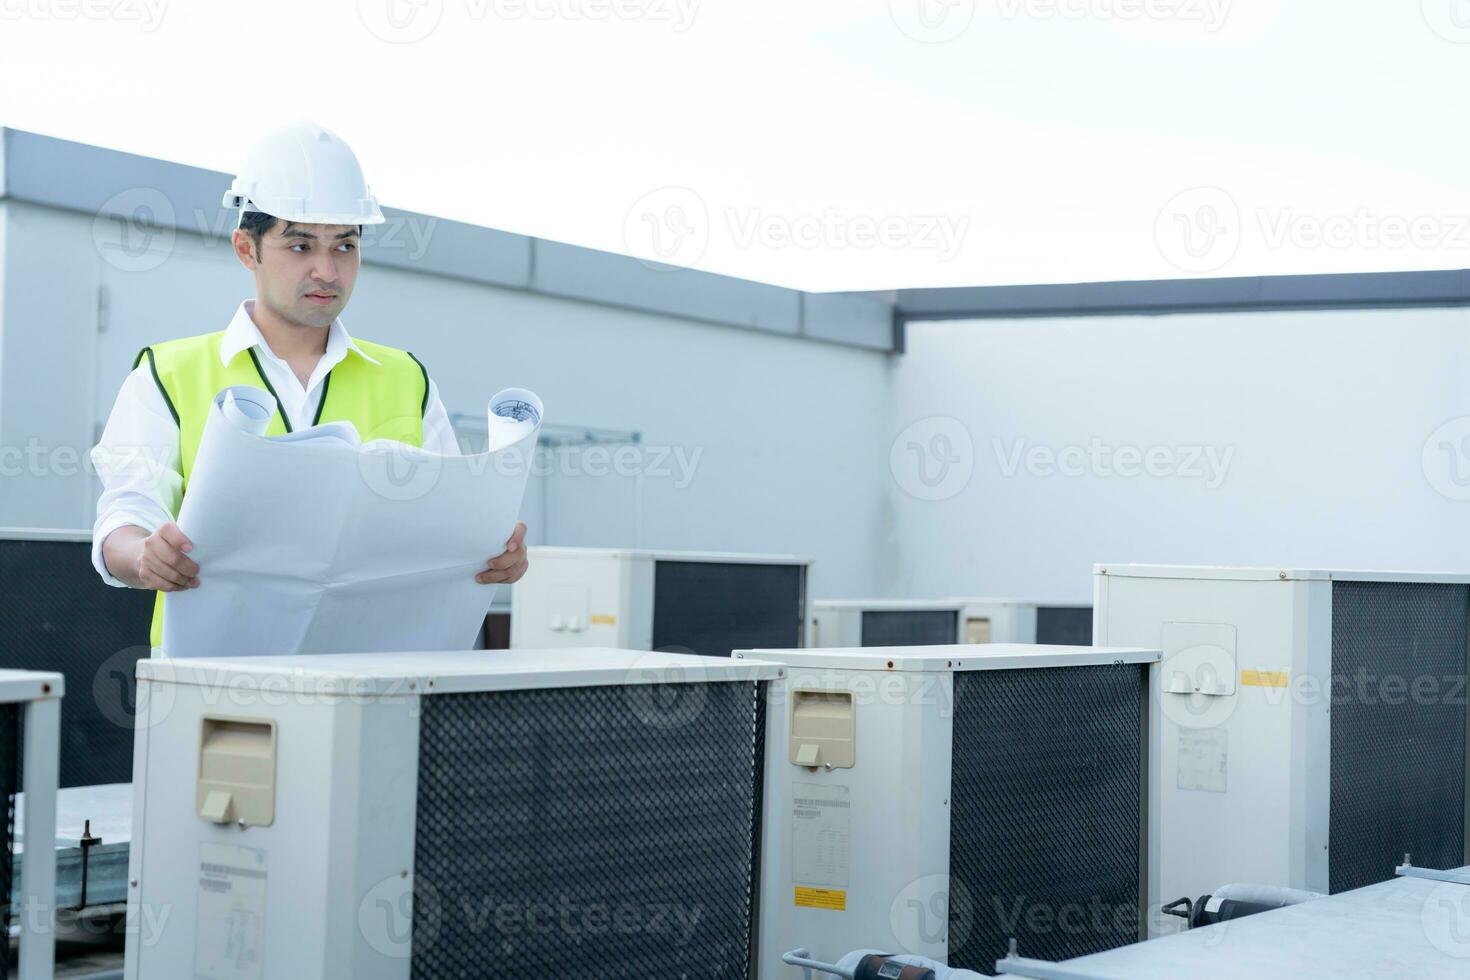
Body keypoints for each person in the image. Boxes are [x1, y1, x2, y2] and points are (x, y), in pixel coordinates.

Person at [90, 120, 528, 651]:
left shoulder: (406, 378)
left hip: (373, 683)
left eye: (344, 247)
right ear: (246, 249)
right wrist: (142, 556)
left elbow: (448, 530)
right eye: (300, 246)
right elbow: (125, 516)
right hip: (210, 681)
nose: (327, 270)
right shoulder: (167, 373)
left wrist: (492, 554)